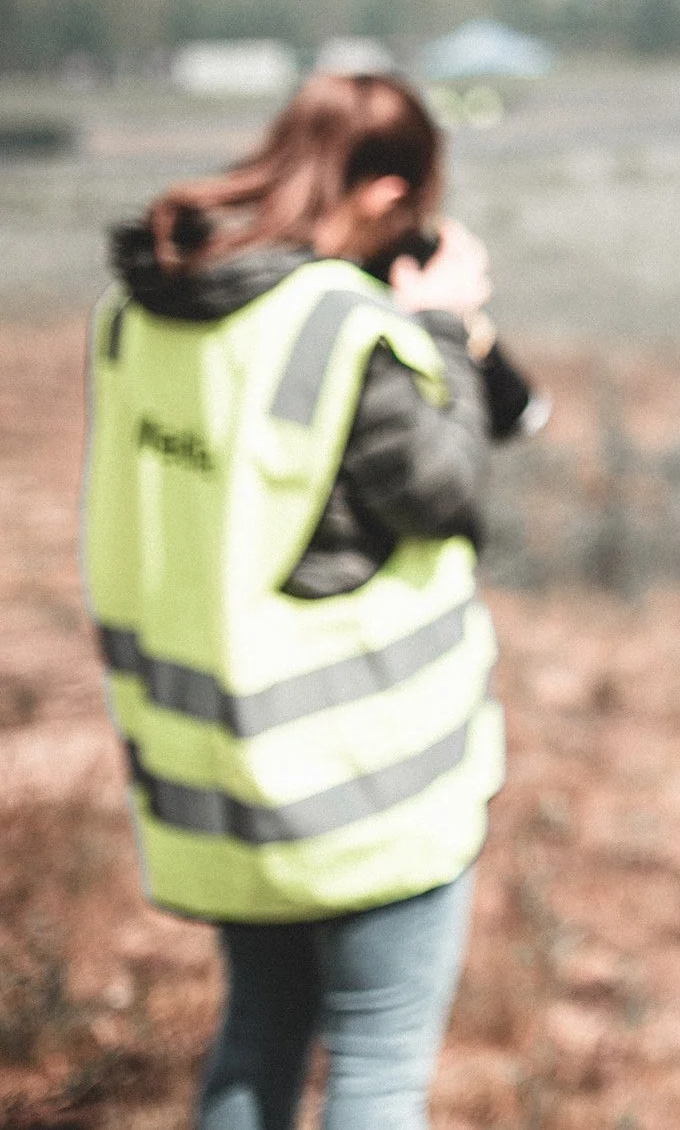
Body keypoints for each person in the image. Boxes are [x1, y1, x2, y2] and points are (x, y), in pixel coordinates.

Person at [82, 73, 509, 1130]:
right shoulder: (340, 328)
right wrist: (448, 328)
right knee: (374, 1061)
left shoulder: (143, 308)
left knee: (258, 1037)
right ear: (383, 192)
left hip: (214, 776)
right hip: (363, 785)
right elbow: (448, 490)